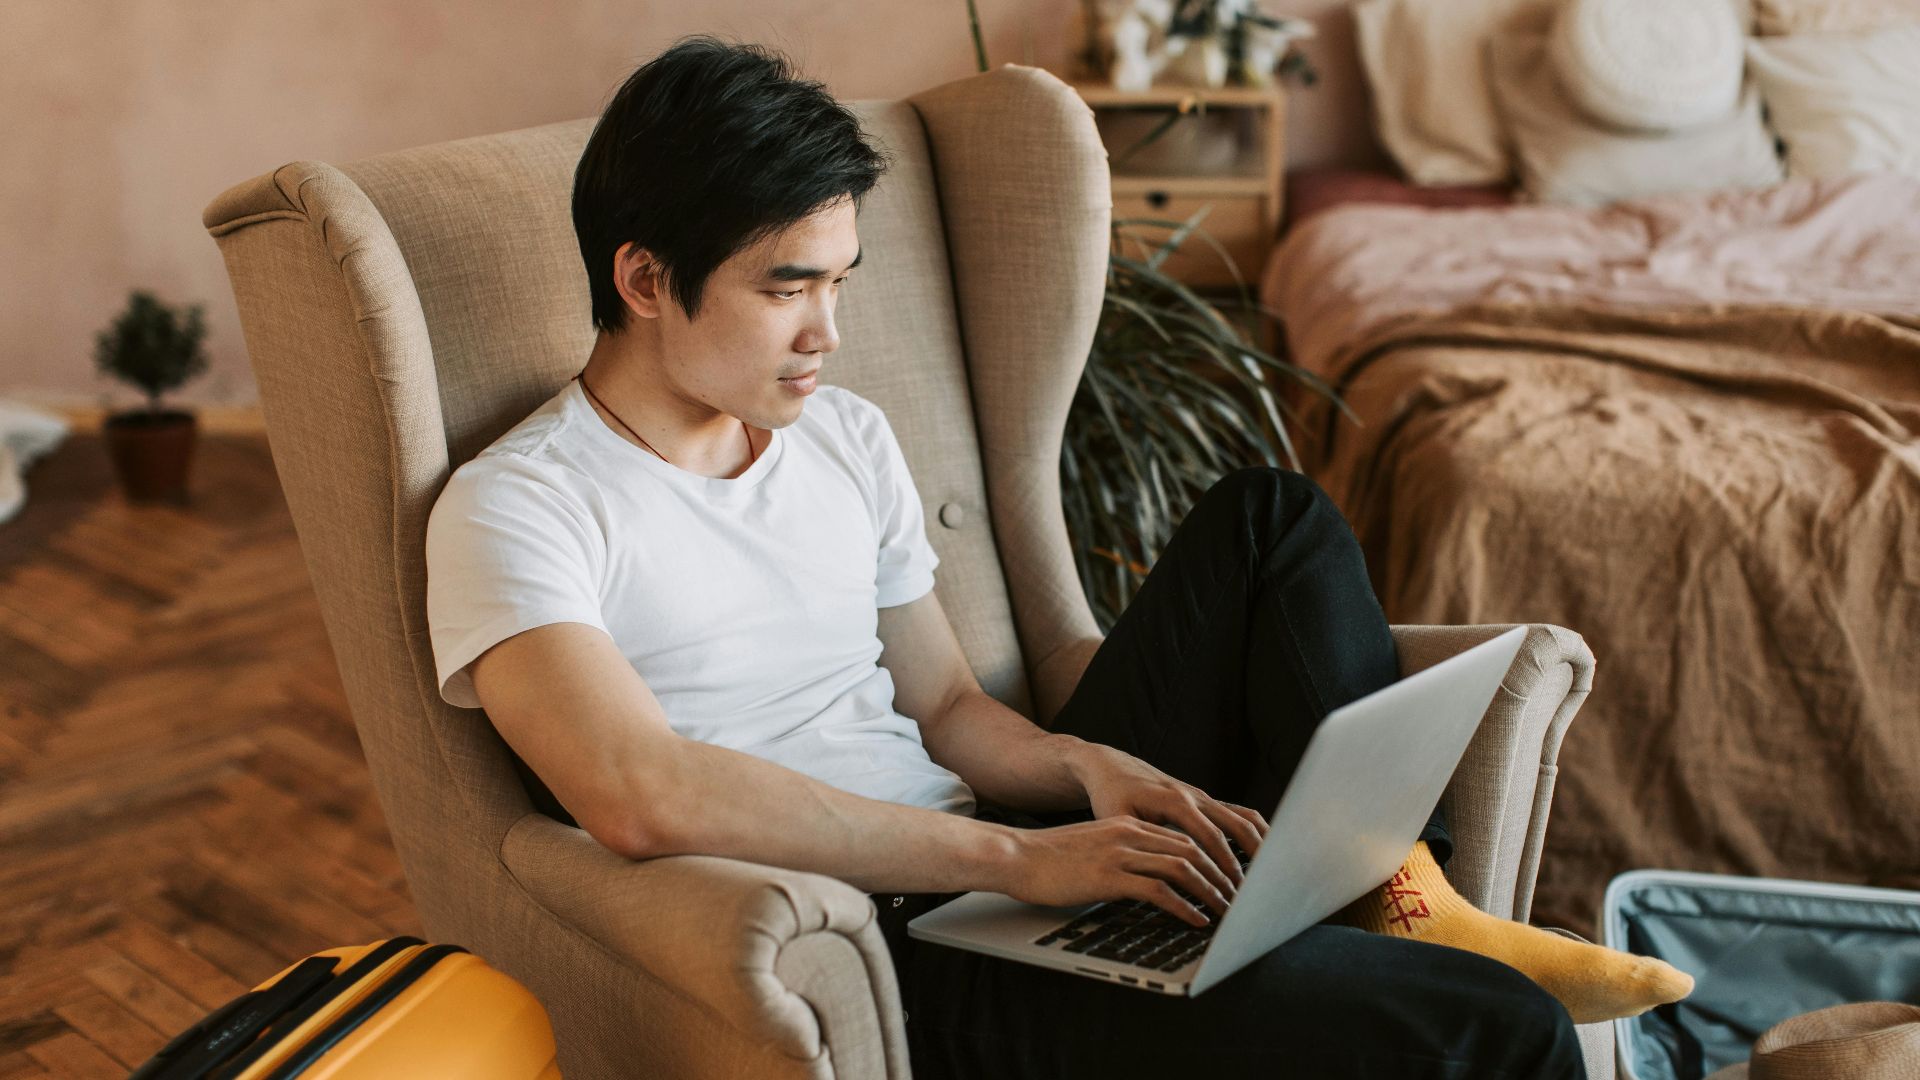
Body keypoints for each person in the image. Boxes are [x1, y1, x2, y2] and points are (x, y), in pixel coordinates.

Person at [423, 34, 1692, 1079]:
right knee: (1496, 1027)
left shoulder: (842, 437)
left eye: (843, 284)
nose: (828, 335)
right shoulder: (522, 507)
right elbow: (640, 793)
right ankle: (1372, 934)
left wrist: (1088, 770)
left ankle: (1400, 897)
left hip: (995, 852)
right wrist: (1022, 863)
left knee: (1270, 519)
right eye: (786, 288)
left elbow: (948, 705)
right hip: (885, 940)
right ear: (644, 277)